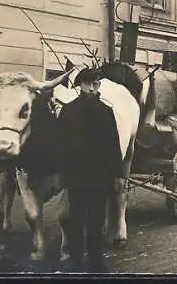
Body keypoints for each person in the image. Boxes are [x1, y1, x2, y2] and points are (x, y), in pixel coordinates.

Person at [58, 68, 122, 273]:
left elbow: (115, 146)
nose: (93, 89)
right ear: (80, 86)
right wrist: (62, 174)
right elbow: (60, 147)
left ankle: (95, 260)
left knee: (96, 221)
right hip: (77, 178)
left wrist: (118, 175)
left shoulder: (106, 111)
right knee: (75, 220)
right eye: (89, 85)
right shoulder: (68, 111)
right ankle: (76, 260)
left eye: (96, 85)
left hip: (100, 178)